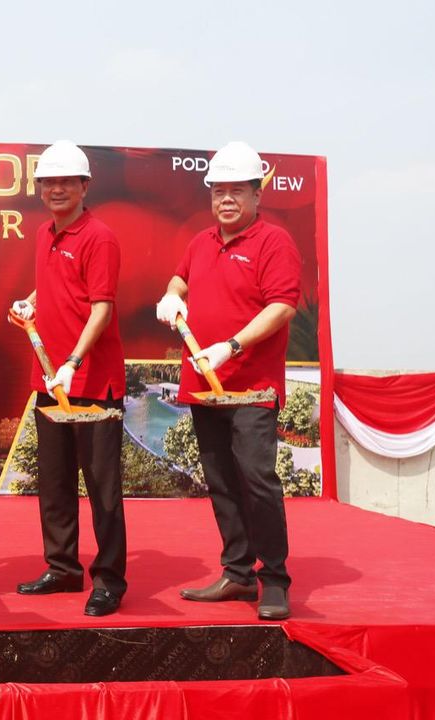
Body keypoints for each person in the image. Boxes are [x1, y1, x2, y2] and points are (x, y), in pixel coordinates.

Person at [155, 141, 300, 621]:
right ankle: (237, 572)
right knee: (219, 480)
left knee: (257, 479)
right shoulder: (201, 242)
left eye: (238, 190)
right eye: (219, 191)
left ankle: (274, 579)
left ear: (258, 194)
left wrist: (232, 345)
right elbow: (181, 280)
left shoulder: (273, 241)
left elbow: (281, 307)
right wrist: (173, 297)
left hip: (252, 386)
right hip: (203, 384)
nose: (227, 199)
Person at [9, 141, 127, 617]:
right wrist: (31, 301)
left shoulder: (100, 237)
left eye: (65, 182)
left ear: (84, 186)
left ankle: (110, 580)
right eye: (48, 182)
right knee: (54, 482)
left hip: (92, 382)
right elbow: (60, 286)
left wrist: (75, 361)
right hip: (48, 380)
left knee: (101, 487)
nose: (56, 189)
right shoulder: (44, 235)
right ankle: (62, 567)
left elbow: (101, 307)